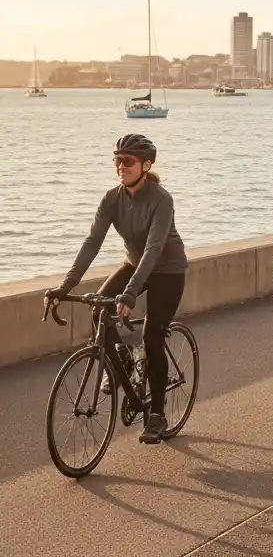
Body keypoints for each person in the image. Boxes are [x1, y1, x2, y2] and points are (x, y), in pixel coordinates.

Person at [44, 135, 188, 444]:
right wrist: (65, 286)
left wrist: (131, 292)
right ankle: (120, 359)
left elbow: (153, 250)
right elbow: (92, 242)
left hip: (167, 271)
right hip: (134, 264)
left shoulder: (162, 199)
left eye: (129, 161)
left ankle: (157, 415)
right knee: (99, 311)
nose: (121, 166)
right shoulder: (112, 198)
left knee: (151, 337)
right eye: (117, 160)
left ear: (146, 165)